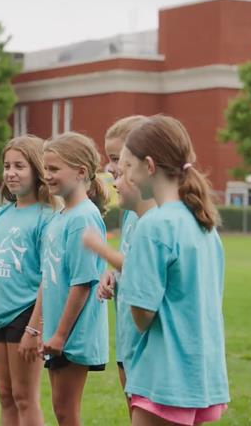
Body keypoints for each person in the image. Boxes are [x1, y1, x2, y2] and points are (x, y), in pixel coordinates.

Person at [118, 115, 230, 426]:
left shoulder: (154, 225)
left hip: (164, 376)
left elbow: (142, 314)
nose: (126, 176)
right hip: (199, 372)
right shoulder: (203, 222)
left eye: (128, 166)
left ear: (149, 166)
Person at [0, 135, 55, 426]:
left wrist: (35, 326)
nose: (11, 173)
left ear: (37, 170)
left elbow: (48, 277)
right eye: (7, 166)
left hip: (26, 313)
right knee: (5, 395)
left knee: (24, 397)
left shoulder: (47, 217)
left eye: (20, 166)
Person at [81, 116, 156, 416]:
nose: (110, 167)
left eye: (116, 159)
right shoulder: (131, 211)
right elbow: (129, 259)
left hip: (149, 342)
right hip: (128, 337)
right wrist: (111, 275)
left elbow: (146, 268)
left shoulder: (156, 215)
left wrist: (102, 251)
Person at [39, 132, 109, 426]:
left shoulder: (83, 217)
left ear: (81, 172)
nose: (47, 175)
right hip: (58, 331)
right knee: (61, 409)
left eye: (54, 169)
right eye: (46, 168)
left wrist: (60, 335)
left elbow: (82, 284)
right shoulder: (61, 215)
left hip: (72, 335)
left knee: (67, 411)